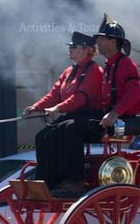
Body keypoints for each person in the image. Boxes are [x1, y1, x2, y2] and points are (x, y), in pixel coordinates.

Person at [24, 31, 105, 197]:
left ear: (86, 50)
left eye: (73, 47)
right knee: (43, 135)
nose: (70, 50)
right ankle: (47, 180)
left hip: (91, 118)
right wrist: (36, 107)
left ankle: (75, 180)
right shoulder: (69, 71)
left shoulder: (94, 70)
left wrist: (57, 108)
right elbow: (53, 94)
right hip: (72, 116)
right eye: (70, 47)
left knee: (68, 129)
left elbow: (81, 98)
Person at [94, 14, 140, 131]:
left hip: (122, 119)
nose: (98, 43)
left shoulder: (126, 63)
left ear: (113, 42)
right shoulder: (108, 65)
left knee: (72, 129)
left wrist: (115, 113)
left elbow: (134, 93)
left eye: (101, 39)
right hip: (109, 117)